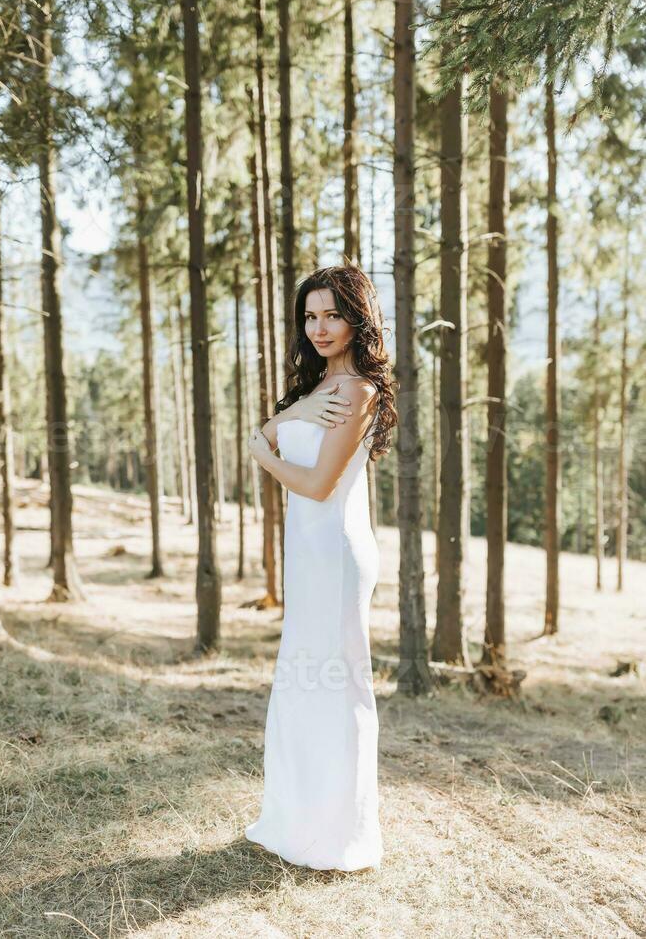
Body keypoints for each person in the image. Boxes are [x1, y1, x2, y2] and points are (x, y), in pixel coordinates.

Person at [246, 264, 397, 872]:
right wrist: (277, 431)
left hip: (336, 554)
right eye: (310, 316)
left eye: (332, 314)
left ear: (357, 318)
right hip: (308, 556)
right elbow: (269, 431)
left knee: (339, 688)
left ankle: (343, 835)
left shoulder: (357, 391)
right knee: (303, 684)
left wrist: (264, 454)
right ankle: (297, 823)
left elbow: (314, 484)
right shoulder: (316, 390)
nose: (319, 327)